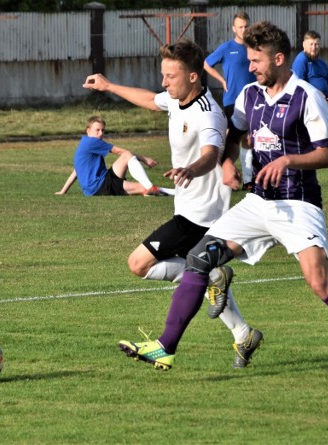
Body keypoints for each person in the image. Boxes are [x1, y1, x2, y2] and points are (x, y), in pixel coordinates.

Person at [118, 21, 328, 384]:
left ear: (278, 58)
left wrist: (288, 160)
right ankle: (166, 346)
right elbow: (234, 136)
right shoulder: (249, 95)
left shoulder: (306, 96)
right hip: (258, 203)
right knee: (200, 258)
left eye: (256, 60)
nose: (250, 67)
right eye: (248, 60)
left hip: (299, 204)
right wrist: (228, 162)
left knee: (321, 285)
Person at [83, 39, 262, 369]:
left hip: (201, 215)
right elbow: (152, 101)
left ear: (193, 77)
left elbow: (212, 153)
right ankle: (243, 333)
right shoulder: (178, 99)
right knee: (198, 272)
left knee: (139, 263)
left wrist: (192, 169)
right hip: (188, 209)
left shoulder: (208, 114)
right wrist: (108, 86)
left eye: (171, 76)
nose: (164, 82)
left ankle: (211, 282)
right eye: (163, 75)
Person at [55, 116, 174, 196]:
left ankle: (150, 187)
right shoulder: (92, 142)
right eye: (97, 130)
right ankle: (155, 188)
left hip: (101, 181)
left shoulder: (84, 143)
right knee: (143, 188)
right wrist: (144, 158)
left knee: (128, 158)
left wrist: (63, 191)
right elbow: (120, 151)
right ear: (88, 130)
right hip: (100, 186)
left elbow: (76, 171)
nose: (101, 133)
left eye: (103, 130)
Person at [204, 11, 257, 191]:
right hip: (232, 100)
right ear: (234, 28)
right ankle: (221, 177)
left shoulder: (255, 47)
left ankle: (248, 179)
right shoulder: (227, 48)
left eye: (246, 26)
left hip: (253, 99)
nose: (243, 29)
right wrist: (221, 80)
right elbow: (206, 63)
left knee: (249, 139)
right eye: (240, 27)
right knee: (230, 139)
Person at [292, 30, 328, 181]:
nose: (314, 47)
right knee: (309, 140)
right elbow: (297, 85)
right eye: (311, 44)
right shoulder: (301, 60)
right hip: (309, 106)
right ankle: (300, 173)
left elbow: (326, 85)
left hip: (324, 105)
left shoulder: (322, 64)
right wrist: (316, 95)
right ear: (304, 45)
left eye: (317, 44)